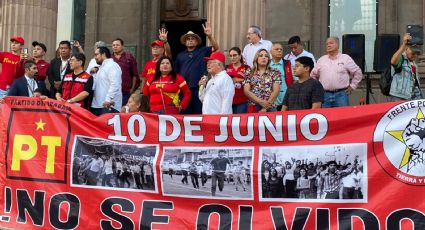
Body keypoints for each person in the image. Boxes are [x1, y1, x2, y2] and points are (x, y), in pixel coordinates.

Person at [175, 22, 219, 114]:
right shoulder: (180, 55)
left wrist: (210, 36)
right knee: (184, 114)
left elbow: (216, 47)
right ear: (185, 42)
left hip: (199, 87)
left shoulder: (203, 51)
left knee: (198, 113)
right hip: (184, 89)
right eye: (188, 39)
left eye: (193, 39)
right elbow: (176, 73)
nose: (190, 40)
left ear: (196, 41)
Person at [311, 37, 363, 108]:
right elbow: (313, 75)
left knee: (343, 117)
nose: (328, 45)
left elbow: (358, 72)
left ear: (338, 45)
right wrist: (317, 89)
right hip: (324, 95)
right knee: (326, 118)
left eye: (331, 43)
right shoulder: (321, 60)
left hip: (341, 95)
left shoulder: (345, 58)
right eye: (327, 44)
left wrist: (352, 86)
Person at [389, 33, 423, 101]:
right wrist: (404, 44)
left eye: (417, 53)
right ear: (407, 48)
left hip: (414, 96)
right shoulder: (401, 58)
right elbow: (393, 61)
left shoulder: (414, 64)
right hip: (400, 96)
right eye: (413, 53)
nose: (415, 55)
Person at [91, 46, 122, 115]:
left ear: (103, 54)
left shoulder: (112, 65)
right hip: (98, 105)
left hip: (108, 106)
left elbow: (115, 84)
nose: (95, 57)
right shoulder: (101, 67)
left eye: (96, 55)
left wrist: (108, 100)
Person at [111, 38, 139, 105]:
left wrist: (132, 89)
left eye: (117, 45)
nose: (115, 46)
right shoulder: (109, 59)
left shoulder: (129, 57)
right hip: (112, 92)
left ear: (122, 46)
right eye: (113, 45)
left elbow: (135, 74)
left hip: (125, 92)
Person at [270, 43, 295, 110]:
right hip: (271, 100)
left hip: (286, 99)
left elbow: (295, 79)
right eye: (277, 49)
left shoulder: (288, 64)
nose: (279, 51)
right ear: (271, 52)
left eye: (281, 49)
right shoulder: (267, 64)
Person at [226, 47, 250, 114]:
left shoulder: (246, 68)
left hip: (242, 101)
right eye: (230, 56)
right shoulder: (226, 68)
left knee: (239, 123)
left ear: (240, 56)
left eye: (235, 55)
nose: (232, 58)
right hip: (229, 101)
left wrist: (240, 80)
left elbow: (252, 82)